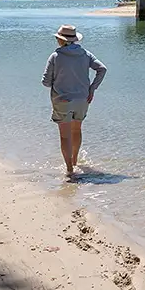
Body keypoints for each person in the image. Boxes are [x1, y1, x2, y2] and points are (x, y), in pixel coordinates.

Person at [41, 24, 107, 179]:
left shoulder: (55, 56)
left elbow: (45, 81)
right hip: (82, 100)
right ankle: (76, 161)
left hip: (62, 100)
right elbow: (102, 69)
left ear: (60, 40)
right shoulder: (85, 54)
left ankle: (70, 169)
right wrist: (92, 89)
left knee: (65, 136)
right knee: (76, 130)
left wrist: (59, 84)